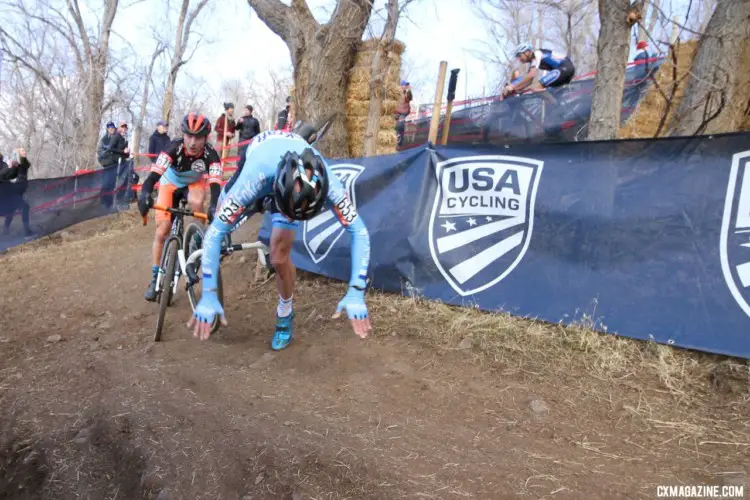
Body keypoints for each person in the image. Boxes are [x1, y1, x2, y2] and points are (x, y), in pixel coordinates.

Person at [188, 123, 372, 350]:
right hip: (259, 154)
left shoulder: (330, 184)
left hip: (291, 171)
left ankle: (285, 311)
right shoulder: (255, 177)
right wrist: (208, 293)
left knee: (278, 257)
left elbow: (359, 231)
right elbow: (215, 233)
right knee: (222, 217)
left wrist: (356, 290)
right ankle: (219, 226)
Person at [137, 112, 223, 301]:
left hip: (193, 185)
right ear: (183, 134)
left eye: (198, 137)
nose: (192, 142)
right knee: (162, 231)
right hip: (170, 183)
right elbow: (153, 177)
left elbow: (216, 186)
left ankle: (197, 237)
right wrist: (144, 194)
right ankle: (154, 278)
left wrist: (214, 206)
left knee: (196, 202)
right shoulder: (173, 147)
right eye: (189, 136)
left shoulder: (211, 155)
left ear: (205, 138)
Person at [504, 43, 576, 97]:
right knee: (550, 93)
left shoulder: (536, 54)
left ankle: (556, 106)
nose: (519, 59)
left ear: (527, 52)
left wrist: (513, 87)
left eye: (519, 56)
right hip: (564, 70)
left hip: (564, 68)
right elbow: (529, 81)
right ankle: (557, 107)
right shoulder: (533, 62)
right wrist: (518, 89)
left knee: (536, 88)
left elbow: (531, 75)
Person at [0, 149, 33, 237]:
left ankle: (26, 232)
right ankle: (7, 230)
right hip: (3, 200)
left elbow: (24, 167)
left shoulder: (4, 163)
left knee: (23, 206)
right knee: (18, 207)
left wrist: (22, 158)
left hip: (8, 196)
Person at [235, 105, 261, 172]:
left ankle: (249, 170)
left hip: (251, 141)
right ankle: (238, 170)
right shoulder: (241, 119)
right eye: (245, 110)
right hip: (242, 140)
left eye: (247, 110)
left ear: (250, 111)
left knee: (250, 155)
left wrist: (256, 140)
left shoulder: (255, 121)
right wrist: (239, 122)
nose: (246, 111)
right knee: (240, 156)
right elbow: (236, 128)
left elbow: (258, 132)